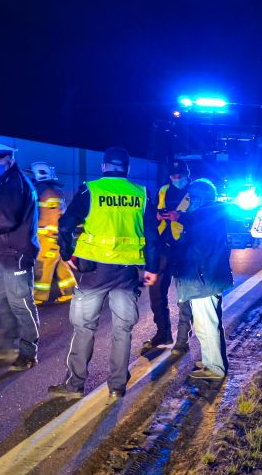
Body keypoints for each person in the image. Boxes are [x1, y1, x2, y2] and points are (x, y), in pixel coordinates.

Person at [49, 147, 160, 403]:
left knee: (84, 328)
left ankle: (75, 384)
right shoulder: (141, 194)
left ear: (104, 167)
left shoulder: (91, 190)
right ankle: (117, 386)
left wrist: (67, 255)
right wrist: (152, 268)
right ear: (127, 169)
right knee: (123, 329)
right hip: (127, 273)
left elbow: (65, 225)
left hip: (93, 272)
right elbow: (153, 237)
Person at [0, 142, 41, 370]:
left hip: (17, 254)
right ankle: (9, 344)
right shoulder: (2, 183)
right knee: (1, 299)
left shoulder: (15, 183)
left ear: (9, 160)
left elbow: (6, 219)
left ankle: (28, 352)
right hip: (5, 252)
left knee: (22, 304)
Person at [164, 178, 233, 380]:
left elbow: (195, 220)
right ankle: (211, 360)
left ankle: (215, 368)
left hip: (204, 279)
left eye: (192, 198)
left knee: (207, 324)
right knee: (205, 325)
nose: (189, 202)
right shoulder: (210, 214)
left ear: (201, 198)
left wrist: (179, 217)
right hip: (205, 278)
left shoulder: (209, 214)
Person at [140, 160, 193, 355]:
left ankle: (182, 340)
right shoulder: (162, 190)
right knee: (156, 295)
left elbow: (203, 218)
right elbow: (151, 213)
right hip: (163, 247)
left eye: (180, 176)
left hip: (185, 249)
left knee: (185, 296)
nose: (176, 179)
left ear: (187, 175)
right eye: (173, 175)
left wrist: (180, 217)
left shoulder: (195, 192)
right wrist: (158, 216)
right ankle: (163, 334)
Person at [29, 161, 76, 304]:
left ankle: (38, 297)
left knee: (42, 266)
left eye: (32, 174)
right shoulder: (51, 190)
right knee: (61, 264)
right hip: (53, 236)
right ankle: (70, 291)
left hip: (48, 237)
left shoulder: (46, 192)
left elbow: (54, 216)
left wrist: (53, 235)